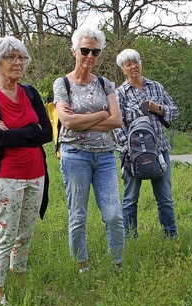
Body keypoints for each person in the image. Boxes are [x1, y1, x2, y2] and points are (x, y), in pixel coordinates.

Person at [0, 36, 52, 306]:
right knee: (6, 235)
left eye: (22, 57)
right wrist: (30, 132)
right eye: (11, 57)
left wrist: (20, 132)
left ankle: (18, 280)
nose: (18, 63)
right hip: (5, 176)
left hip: (36, 174)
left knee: (26, 233)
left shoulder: (30, 93)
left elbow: (47, 132)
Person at [53, 25, 125, 273]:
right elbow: (68, 122)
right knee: (78, 215)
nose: (90, 57)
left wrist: (86, 119)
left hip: (105, 156)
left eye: (95, 52)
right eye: (85, 50)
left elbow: (117, 120)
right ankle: (81, 264)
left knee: (114, 214)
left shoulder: (106, 84)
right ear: (74, 50)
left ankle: (117, 263)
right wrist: (102, 113)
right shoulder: (62, 84)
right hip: (75, 157)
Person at [113, 48, 179, 239]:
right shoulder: (120, 93)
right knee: (130, 198)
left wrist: (157, 108)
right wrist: (128, 149)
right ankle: (130, 237)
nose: (133, 66)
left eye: (136, 62)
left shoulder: (156, 87)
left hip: (159, 151)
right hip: (132, 155)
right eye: (128, 64)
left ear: (141, 63)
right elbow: (117, 124)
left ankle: (171, 236)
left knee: (164, 197)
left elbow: (175, 111)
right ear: (123, 69)